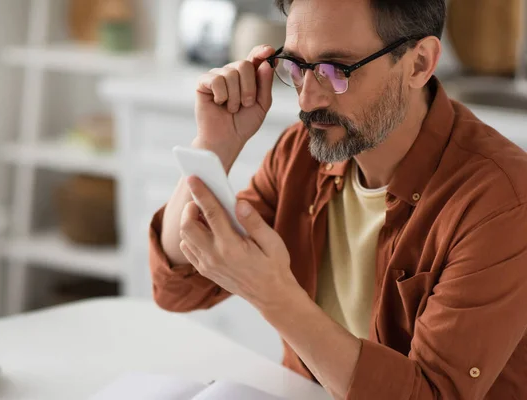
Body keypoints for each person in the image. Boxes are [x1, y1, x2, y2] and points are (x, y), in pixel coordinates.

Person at [148, 0, 527, 398]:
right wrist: (214, 145)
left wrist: (274, 297)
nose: (307, 99)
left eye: (336, 70)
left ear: (419, 64)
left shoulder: (502, 201)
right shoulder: (301, 154)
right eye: (296, 66)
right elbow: (178, 288)